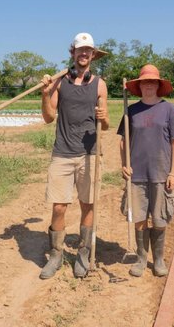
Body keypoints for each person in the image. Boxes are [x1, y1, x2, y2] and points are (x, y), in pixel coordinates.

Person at [39, 32, 110, 279]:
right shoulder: (60, 82)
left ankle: (83, 251)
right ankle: (56, 254)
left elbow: (107, 123)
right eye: (80, 50)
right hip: (63, 151)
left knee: (87, 204)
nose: (83, 54)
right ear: (73, 53)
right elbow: (48, 118)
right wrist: (45, 93)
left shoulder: (100, 84)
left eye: (88, 50)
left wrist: (104, 119)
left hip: (90, 153)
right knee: (59, 206)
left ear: (93, 54)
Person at [117, 64, 174, 277]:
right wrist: (124, 164)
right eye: (145, 82)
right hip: (136, 174)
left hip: (161, 173)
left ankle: (159, 259)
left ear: (158, 85)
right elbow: (122, 141)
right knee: (139, 217)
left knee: (160, 217)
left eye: (152, 82)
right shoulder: (131, 111)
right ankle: (141, 258)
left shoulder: (169, 109)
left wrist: (173, 173)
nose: (148, 85)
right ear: (140, 85)